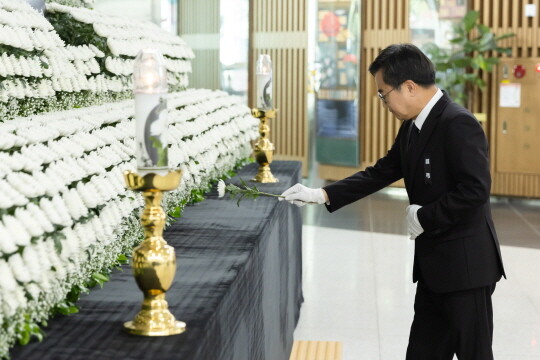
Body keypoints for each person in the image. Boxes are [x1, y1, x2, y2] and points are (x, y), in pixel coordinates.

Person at [281, 43, 505, 360]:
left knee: (475, 353)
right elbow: (383, 171)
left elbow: (475, 190)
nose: (383, 102)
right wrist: (322, 194)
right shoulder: (413, 125)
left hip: (466, 268)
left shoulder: (457, 123)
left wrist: (423, 217)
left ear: (410, 86)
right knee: (422, 352)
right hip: (434, 268)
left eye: (384, 93)